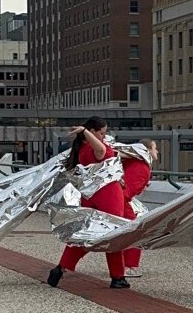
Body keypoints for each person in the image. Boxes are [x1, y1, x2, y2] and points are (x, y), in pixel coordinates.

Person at [47, 116, 130, 289]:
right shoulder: (93, 149)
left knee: (85, 233)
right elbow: (100, 150)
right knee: (114, 232)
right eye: (101, 133)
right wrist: (85, 132)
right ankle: (118, 276)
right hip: (108, 193)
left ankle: (61, 268)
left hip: (90, 195)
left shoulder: (81, 150)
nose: (103, 137)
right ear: (92, 132)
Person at [119, 138, 157, 278]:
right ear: (147, 150)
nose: (157, 151)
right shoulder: (142, 167)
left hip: (119, 198)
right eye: (154, 148)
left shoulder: (135, 162)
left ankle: (123, 264)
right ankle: (129, 266)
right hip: (121, 200)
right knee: (136, 232)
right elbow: (127, 190)